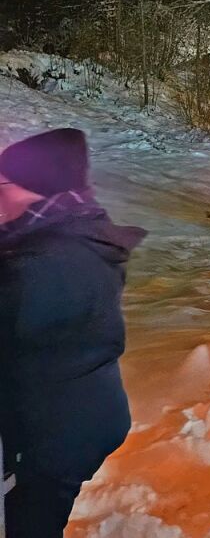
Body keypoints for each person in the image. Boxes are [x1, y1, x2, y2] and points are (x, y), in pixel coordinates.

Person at [0, 129, 144, 538]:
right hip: (78, 416)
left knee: (30, 523)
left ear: (35, 189)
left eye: (2, 185)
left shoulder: (46, 263)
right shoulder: (73, 230)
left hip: (56, 432)